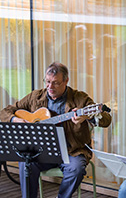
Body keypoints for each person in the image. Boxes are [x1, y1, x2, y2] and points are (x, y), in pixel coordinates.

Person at [0, 62, 112, 198]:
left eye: (56, 83)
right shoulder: (35, 97)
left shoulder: (80, 98)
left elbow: (106, 120)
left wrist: (87, 116)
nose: (50, 87)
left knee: (76, 169)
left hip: (72, 151)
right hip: (43, 151)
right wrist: (14, 119)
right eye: (47, 82)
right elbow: (5, 111)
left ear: (66, 81)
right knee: (26, 164)